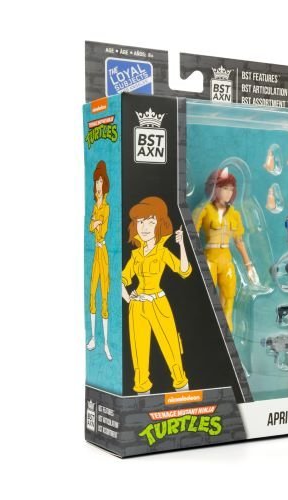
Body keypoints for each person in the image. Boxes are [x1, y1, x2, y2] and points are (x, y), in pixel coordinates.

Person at [122, 196, 192, 395]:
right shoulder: (135, 255)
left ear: (159, 225)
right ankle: (141, 399)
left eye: (150, 222)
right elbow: (121, 279)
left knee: (172, 349)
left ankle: (183, 393)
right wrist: (130, 299)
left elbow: (184, 271)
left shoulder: (162, 253)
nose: (144, 227)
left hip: (158, 304)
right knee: (139, 355)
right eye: (140, 222)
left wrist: (181, 245)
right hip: (137, 308)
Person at [193, 168, 259, 333]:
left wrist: (249, 266)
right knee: (208, 297)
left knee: (229, 297)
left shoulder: (234, 214)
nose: (228, 193)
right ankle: (205, 331)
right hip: (209, 258)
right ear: (214, 188)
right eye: (225, 188)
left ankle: (226, 332)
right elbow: (192, 236)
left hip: (226, 259)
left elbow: (239, 241)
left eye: (231, 189)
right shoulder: (204, 210)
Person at [87, 160, 112, 361]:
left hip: (103, 252)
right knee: (92, 293)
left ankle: (106, 344)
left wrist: (95, 223)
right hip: (95, 252)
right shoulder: (95, 207)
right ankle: (93, 338)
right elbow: (91, 227)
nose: (98, 185)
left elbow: (101, 229)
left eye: (101, 182)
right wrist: (94, 223)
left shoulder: (105, 208)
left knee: (104, 295)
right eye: (96, 182)